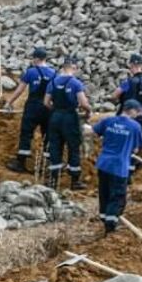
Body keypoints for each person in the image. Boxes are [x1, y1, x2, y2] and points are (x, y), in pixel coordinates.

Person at [90, 100, 142, 234]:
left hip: (103, 164)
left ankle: (104, 217)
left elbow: (93, 132)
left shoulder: (109, 120)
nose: (137, 115)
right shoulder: (135, 126)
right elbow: (138, 148)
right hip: (119, 166)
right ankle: (111, 226)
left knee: (104, 193)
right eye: (137, 112)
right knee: (117, 196)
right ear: (131, 110)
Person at [3, 47, 56, 173]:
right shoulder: (54, 73)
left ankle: (21, 163)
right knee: (48, 134)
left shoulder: (31, 72)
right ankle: (47, 165)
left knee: (26, 133)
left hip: (33, 106)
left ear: (36, 59)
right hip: (48, 107)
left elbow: (20, 90)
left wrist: (9, 102)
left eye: (33, 58)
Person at [45, 56, 91, 191]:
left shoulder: (52, 83)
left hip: (55, 117)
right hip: (70, 117)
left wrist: (56, 111)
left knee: (55, 147)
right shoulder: (75, 83)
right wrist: (88, 112)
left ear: (63, 67)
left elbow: (46, 103)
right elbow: (83, 103)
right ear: (74, 68)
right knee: (73, 147)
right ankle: (75, 181)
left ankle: (53, 180)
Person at [114, 53, 142, 167]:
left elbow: (115, 95)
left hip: (128, 115)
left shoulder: (129, 82)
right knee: (136, 143)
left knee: (124, 142)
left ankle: (125, 167)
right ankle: (134, 166)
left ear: (132, 65)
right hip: (141, 115)